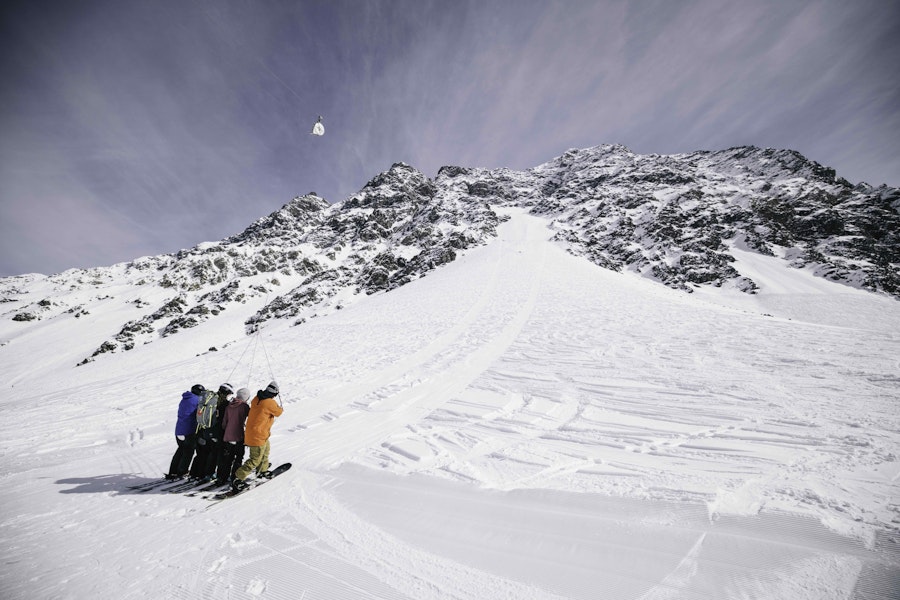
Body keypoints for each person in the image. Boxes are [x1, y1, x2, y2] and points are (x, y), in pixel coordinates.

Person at [232, 381, 284, 491]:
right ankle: (238, 478)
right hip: (258, 435)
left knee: (265, 452)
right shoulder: (269, 403)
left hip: (256, 433)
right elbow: (279, 412)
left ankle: (262, 471)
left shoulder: (257, 398)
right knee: (255, 459)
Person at [189, 383, 234, 482]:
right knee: (215, 453)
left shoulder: (210, 399)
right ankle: (210, 473)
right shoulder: (224, 404)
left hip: (204, 429)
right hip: (216, 432)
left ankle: (197, 473)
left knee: (204, 453)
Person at [166, 384, 204, 479]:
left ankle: (173, 471)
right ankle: (182, 471)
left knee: (180, 450)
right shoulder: (196, 400)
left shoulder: (185, 399)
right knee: (188, 452)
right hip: (188, 430)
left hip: (179, 430)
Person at [216, 387, 252, 484]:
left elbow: (224, 423)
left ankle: (222, 477)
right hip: (238, 435)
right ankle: (235, 477)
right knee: (238, 457)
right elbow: (251, 418)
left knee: (228, 458)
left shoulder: (229, 405)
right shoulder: (244, 406)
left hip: (228, 436)